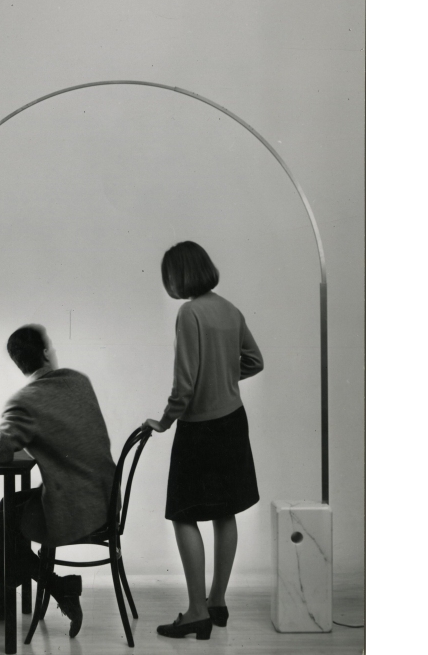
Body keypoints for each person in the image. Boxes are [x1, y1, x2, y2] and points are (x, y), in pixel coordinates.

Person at [0, 324, 117, 638]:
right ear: (45, 353)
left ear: (18, 363)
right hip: (105, 499)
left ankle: (59, 587)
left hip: (76, 508)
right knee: (8, 506)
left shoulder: (25, 400)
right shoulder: (78, 381)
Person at [143, 241, 264, 640]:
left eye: (169, 275)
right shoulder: (230, 309)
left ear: (181, 275)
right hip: (233, 422)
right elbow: (255, 360)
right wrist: (224, 376)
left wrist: (163, 422)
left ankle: (196, 611)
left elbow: (184, 386)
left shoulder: (189, 313)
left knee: (184, 513)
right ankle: (217, 601)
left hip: (199, 429)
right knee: (225, 512)